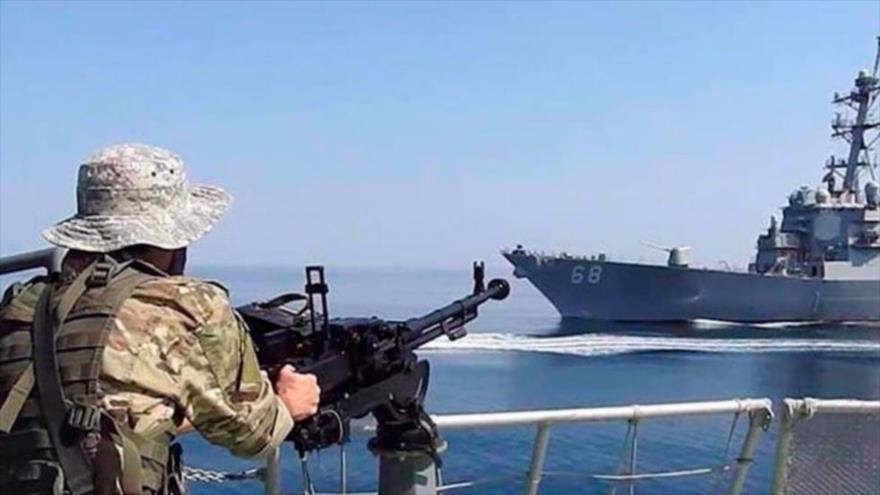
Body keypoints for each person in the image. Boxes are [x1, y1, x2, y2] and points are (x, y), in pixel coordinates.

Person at [0, 144, 321, 494]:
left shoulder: (21, 302)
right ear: (172, 238)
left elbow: (97, 404)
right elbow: (253, 435)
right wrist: (289, 403)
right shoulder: (185, 306)